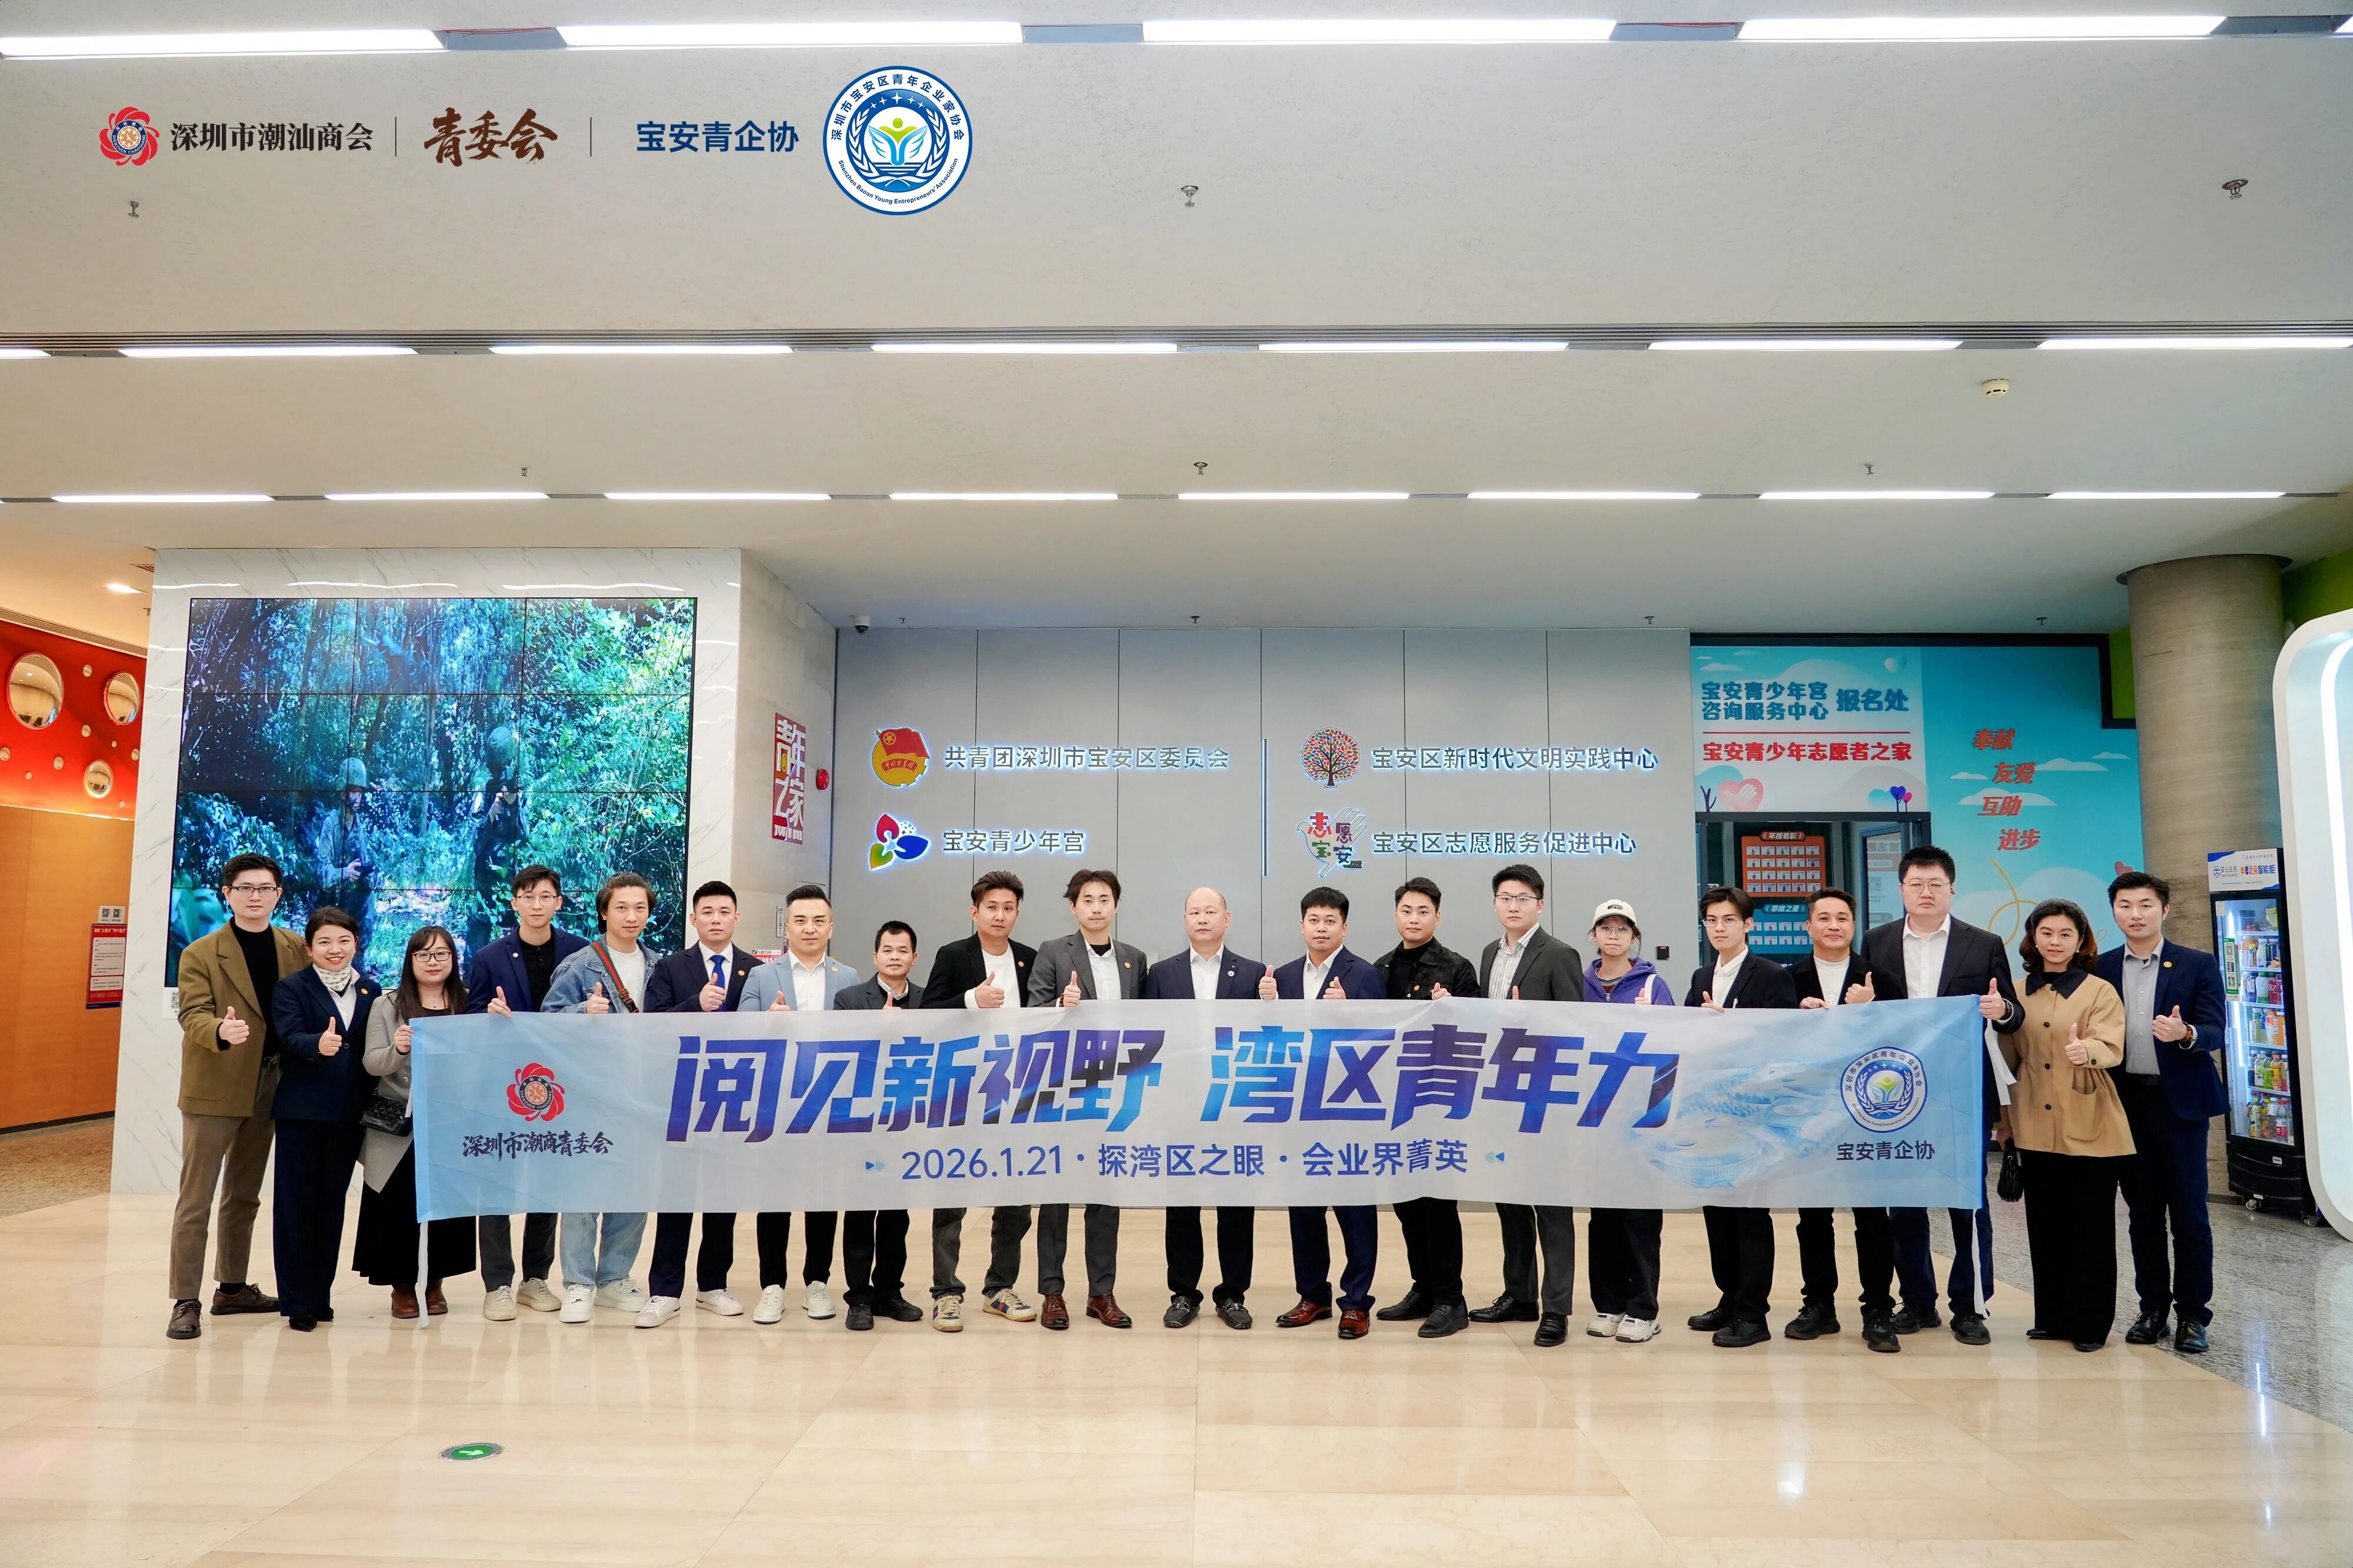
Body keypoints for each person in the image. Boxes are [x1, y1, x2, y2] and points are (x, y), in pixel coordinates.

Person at [1854, 846, 2024, 1346]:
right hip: (1898, 1092)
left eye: (1935, 885)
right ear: (1901, 889)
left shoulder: (1983, 943)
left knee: (1967, 1202)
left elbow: (2012, 1012)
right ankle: (1917, 1301)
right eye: (1916, 884)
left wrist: (2000, 1010)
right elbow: (1866, 1014)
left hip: (1962, 1089)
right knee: (1905, 1203)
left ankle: (1970, 1306)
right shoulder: (1878, 941)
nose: (1926, 893)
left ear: (1952, 889)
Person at [167, 852, 305, 1339]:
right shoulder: (200, 953)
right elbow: (192, 1013)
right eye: (245, 888)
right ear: (227, 894)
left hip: (271, 1085)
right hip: (215, 1085)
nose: (255, 896)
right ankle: (186, 1300)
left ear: (278, 895)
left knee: (244, 1194)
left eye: (265, 888)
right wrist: (220, 1031)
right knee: (196, 1199)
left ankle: (232, 1287)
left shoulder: (295, 947)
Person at [2095, 870, 2228, 1354]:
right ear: (2114, 911)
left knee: (2189, 1214)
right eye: (2126, 906)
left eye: (2146, 905)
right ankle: (2153, 1309)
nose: (2136, 914)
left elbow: (2216, 1029)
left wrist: (2186, 1034)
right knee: (2143, 1213)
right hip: (2125, 1102)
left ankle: (2194, 1316)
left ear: (2164, 910)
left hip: (2181, 1107)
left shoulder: (2197, 964)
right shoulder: (2101, 968)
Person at [2003, 899, 2134, 1350]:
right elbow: (2007, 1061)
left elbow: (2111, 1044)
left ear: (2081, 942)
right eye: (2046, 933)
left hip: (2090, 1121)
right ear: (2033, 939)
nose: (2055, 942)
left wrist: (2088, 1050)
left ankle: (2090, 1325)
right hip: (2033, 1122)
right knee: (2045, 1224)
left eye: (2065, 934)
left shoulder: (2099, 991)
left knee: (2090, 1228)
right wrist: (2005, 1124)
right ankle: (2052, 1317)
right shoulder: (2017, 992)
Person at [636, 880, 764, 1330]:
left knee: (722, 1197)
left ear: (737, 918)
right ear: (694, 919)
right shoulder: (671, 967)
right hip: (683, 1096)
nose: (716, 919)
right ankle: (665, 1290)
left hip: (734, 1097)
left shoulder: (756, 970)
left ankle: (713, 1285)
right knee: (676, 1196)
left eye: (724, 912)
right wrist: (696, 1004)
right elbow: (652, 1026)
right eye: (707, 912)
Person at [917, 870, 1039, 1333]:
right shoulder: (954, 955)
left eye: (1008, 908)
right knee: (952, 1195)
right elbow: (928, 1014)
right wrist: (972, 999)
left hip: (1018, 1090)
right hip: (963, 1091)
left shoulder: (1029, 959)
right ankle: (946, 1292)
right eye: (991, 907)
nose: (1000, 915)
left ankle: (1000, 1288)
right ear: (975, 911)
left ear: (1018, 913)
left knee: (1016, 1198)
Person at [1141, 886, 1268, 1329]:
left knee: (1236, 1202)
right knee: (1182, 1202)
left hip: (1234, 1104)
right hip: (1180, 1104)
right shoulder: (1161, 974)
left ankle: (1232, 1294)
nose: (1202, 918)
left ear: (1226, 919)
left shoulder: (1253, 974)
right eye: (1194, 912)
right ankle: (1183, 1293)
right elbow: (1147, 1037)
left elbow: (1267, 1035)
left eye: (1210, 911)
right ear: (1185, 920)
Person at [1025, 868, 1146, 1330]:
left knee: (1105, 1194)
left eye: (1105, 899)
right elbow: (1033, 1013)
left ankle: (1102, 1292)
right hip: (1063, 1089)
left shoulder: (1134, 959)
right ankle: (1052, 1293)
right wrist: (1061, 1006)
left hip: (1114, 1088)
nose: (1097, 907)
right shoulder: (1053, 952)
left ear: (1116, 905)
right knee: (1055, 1195)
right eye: (1088, 900)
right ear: (1073, 907)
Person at [1262, 886, 1385, 1339]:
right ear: (1302, 926)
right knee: (1305, 1210)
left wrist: (1349, 1014)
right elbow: (1269, 1040)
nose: (1321, 928)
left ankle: (1356, 1302)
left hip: (1349, 1113)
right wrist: (1266, 1007)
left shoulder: (1365, 975)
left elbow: (1384, 1040)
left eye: (1330, 921)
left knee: (1355, 1211)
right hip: (1299, 1112)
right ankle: (1312, 1295)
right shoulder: (1282, 977)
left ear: (1344, 928)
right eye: (1313, 920)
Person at [542, 872, 664, 1323]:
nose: (631, 916)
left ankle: (615, 1278)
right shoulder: (580, 965)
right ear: (604, 912)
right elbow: (547, 1021)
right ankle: (578, 1283)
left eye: (640, 908)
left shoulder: (659, 966)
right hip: (589, 1097)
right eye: (622, 908)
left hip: (643, 1095)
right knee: (583, 1190)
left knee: (634, 1188)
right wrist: (583, 1011)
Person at [1471, 864, 1585, 1346]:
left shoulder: (1559, 954)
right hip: (1501, 1095)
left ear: (1540, 904)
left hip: (1543, 1100)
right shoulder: (1489, 953)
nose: (1513, 906)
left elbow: (1576, 1028)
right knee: (1511, 1203)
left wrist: (1529, 1020)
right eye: (1505, 897)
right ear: (1495, 904)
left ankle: (1556, 1308)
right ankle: (1519, 1296)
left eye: (1522, 898)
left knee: (1551, 1208)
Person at [465, 863, 585, 1321]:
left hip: (561, 1083)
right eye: (528, 897)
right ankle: (497, 1283)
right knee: (496, 1182)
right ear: (514, 902)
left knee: (547, 1181)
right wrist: (488, 1013)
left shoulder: (579, 951)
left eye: (546, 897)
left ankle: (536, 1277)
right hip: (504, 1082)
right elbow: (472, 1016)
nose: (537, 905)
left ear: (559, 903)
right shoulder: (490, 956)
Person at [735, 883, 859, 1323]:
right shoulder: (762, 976)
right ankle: (772, 1285)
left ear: (832, 927)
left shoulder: (848, 976)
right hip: (777, 1101)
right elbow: (738, 1030)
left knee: (822, 1194)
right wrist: (767, 1023)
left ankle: (817, 1282)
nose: (810, 929)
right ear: (786, 927)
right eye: (801, 921)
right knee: (775, 1193)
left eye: (819, 921)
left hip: (828, 1101)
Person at [1787, 888, 1899, 1354]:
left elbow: (1904, 1043)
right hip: (1808, 1115)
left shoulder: (1882, 979)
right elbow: (1771, 1044)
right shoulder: (1788, 980)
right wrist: (1795, 1017)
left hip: (1866, 1116)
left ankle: (1878, 1310)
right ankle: (1819, 1305)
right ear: (1808, 927)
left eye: (1842, 918)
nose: (1833, 925)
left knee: (1873, 1218)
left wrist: (1870, 1012)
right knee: (1813, 1217)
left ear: (1854, 926)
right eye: (1824, 918)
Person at [1684, 886, 1798, 1348]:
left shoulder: (1772, 976)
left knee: (1749, 1214)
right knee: (1717, 1211)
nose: (1719, 928)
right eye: (1712, 920)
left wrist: (1731, 1027)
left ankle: (1753, 1314)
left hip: (1754, 1115)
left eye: (1729, 920)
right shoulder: (1701, 975)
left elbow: (1784, 1043)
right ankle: (1729, 1299)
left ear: (1748, 924)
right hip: (1710, 1113)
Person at [1369, 877, 1482, 1340]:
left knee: (1438, 1204)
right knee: (1406, 1203)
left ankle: (1451, 1300)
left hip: (1438, 1105)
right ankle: (1424, 1287)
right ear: (1396, 915)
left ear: (1438, 916)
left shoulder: (1456, 968)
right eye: (1406, 911)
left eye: (1423, 912)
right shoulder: (1378, 970)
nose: (1414, 919)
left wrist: (1455, 1011)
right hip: (1393, 1105)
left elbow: (1480, 1035)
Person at [354, 925, 476, 1319]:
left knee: (445, 1207)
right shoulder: (387, 1004)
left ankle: (434, 1282)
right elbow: (372, 1062)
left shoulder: (468, 1002)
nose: (433, 962)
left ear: (453, 959)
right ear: (410, 961)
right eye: (423, 955)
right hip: (400, 1125)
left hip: (451, 1123)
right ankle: (402, 1287)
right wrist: (399, 1048)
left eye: (441, 954)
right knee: (397, 1206)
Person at [269, 906, 382, 1331]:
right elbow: (289, 1038)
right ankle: (297, 1301)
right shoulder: (291, 988)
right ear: (309, 948)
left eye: (344, 941)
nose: (335, 949)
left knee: (331, 1207)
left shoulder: (370, 991)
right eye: (325, 942)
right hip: (302, 1114)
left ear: (356, 943)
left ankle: (320, 1295)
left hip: (348, 1116)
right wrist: (318, 1044)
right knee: (296, 1206)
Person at [1581, 898, 1673, 1345]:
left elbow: (1674, 1049)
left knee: (1640, 1217)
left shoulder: (1653, 985)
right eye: (1606, 928)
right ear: (1594, 935)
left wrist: (1657, 1118)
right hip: (1595, 1118)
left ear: (1634, 936)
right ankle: (1609, 1304)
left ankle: (1643, 1309)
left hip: (1640, 1121)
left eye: (1622, 928)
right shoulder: (1579, 984)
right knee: (1603, 1217)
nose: (1613, 935)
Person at [830, 921, 930, 1332]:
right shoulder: (851, 999)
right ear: (875, 956)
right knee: (859, 1211)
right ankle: (858, 1298)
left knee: (896, 1215)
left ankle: (889, 1292)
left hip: (907, 1122)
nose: (894, 956)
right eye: (887, 949)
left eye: (903, 950)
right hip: (862, 1122)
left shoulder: (929, 1001)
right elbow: (842, 1053)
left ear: (914, 958)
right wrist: (879, 1027)